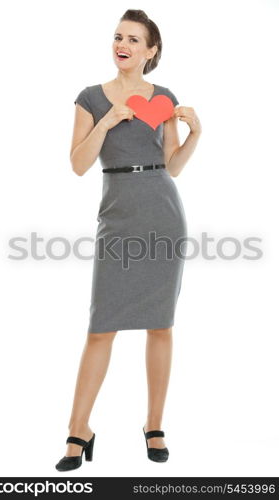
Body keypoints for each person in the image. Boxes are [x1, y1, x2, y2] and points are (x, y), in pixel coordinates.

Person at [55, 9, 201, 472]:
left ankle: (154, 424)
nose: (123, 45)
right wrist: (108, 121)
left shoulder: (164, 98)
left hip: (163, 212)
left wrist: (196, 132)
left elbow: (172, 165)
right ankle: (79, 429)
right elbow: (79, 164)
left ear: (151, 51)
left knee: (161, 324)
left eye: (134, 40)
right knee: (101, 328)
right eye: (119, 37)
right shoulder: (90, 98)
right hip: (117, 218)